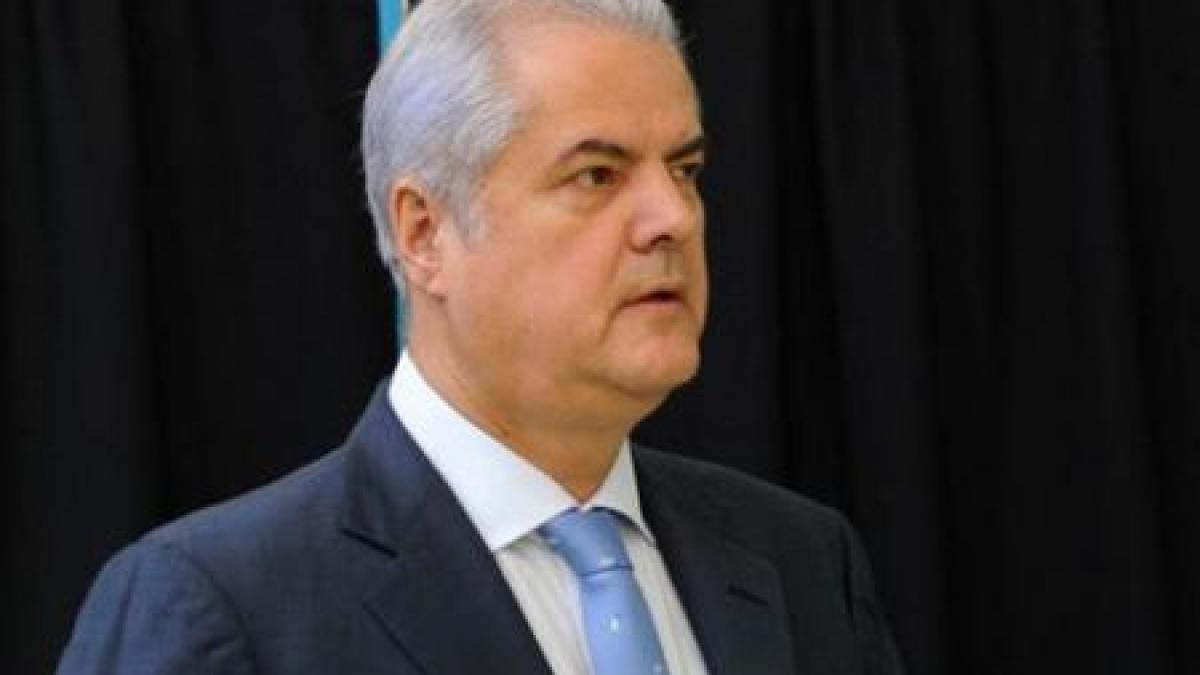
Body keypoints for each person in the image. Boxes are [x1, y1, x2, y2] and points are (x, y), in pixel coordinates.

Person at [58, 0, 904, 673]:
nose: (672, 218)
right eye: (597, 174)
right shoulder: (222, 607)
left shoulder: (803, 564)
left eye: (684, 170)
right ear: (425, 233)